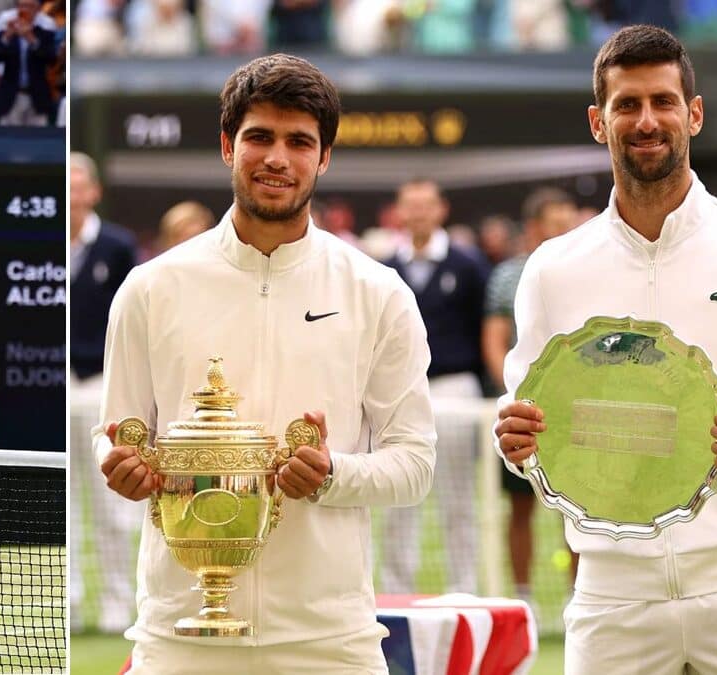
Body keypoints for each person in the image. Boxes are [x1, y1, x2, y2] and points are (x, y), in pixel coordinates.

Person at [494, 25, 717, 673]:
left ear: (694, 113)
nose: (646, 119)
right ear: (598, 123)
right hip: (612, 593)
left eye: (663, 101)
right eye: (626, 104)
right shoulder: (553, 267)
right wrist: (517, 443)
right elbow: (529, 424)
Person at [94, 53, 436, 672]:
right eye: (260, 137)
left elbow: (415, 464)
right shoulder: (150, 287)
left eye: (299, 142)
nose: (277, 158)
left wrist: (333, 475)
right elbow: (115, 432)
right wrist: (118, 464)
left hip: (330, 641)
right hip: (179, 636)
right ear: (228, 145)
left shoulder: (378, 290)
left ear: (324, 158)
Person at [380, 177, 487, 595]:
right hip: (399, 392)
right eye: (411, 205)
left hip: (455, 389)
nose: (419, 213)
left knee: (458, 497)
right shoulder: (386, 269)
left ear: (441, 210)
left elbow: (485, 328)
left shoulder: (468, 264)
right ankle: (394, 591)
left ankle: (465, 589)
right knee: (396, 494)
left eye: (427, 205)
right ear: (400, 212)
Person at [481, 186, 580, 609]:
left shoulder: (585, 268)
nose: (565, 230)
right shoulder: (508, 275)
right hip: (525, 407)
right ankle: (524, 600)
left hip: (576, 406)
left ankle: (581, 597)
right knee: (520, 505)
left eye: (568, 222)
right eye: (556, 223)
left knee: (579, 504)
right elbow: (495, 338)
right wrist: (514, 393)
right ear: (536, 227)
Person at [68, 150, 139, 633]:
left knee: (112, 500)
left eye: (79, 186)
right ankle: (71, 602)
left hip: (101, 385)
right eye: (65, 186)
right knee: (68, 502)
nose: (73, 195)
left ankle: (118, 601)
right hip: (60, 385)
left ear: (93, 191)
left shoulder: (118, 246)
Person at [0, 0, 61, 127]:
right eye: (22, 6)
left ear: (38, 9)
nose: (25, 10)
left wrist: (31, 38)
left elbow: (51, 59)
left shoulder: (44, 30)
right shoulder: (7, 27)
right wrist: (7, 36)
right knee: (9, 139)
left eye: (30, 6)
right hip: (11, 96)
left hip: (37, 97)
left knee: (38, 140)